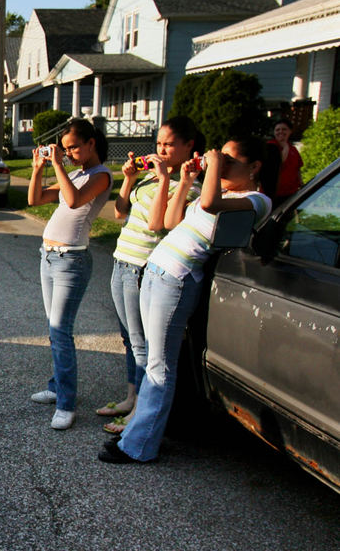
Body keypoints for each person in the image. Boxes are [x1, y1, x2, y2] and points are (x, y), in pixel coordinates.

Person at [99, 136, 276, 464]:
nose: (221, 166)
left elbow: (210, 205)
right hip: (156, 272)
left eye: (229, 162)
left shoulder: (256, 199)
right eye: (220, 160)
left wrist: (212, 167)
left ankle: (139, 446)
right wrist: (188, 179)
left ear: (254, 167)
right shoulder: (216, 191)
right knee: (154, 359)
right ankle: (140, 433)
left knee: (160, 365)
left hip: (177, 281)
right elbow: (168, 222)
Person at [99, 117, 204, 434]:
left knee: (142, 343)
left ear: (189, 146)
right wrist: (129, 180)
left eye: (169, 144)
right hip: (122, 260)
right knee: (129, 340)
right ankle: (131, 397)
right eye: (159, 143)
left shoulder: (188, 185)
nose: (161, 149)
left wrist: (164, 179)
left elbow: (159, 224)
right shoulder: (150, 178)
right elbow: (120, 213)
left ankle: (140, 414)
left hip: (143, 266)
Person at [27, 119, 113, 430]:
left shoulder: (101, 175)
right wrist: (38, 168)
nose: (69, 153)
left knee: (61, 331)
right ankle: (56, 385)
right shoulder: (75, 173)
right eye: (65, 149)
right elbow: (35, 200)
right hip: (48, 257)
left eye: (74, 147)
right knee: (54, 330)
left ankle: (66, 403)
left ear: (92, 143)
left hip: (71, 261)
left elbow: (75, 200)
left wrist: (59, 165)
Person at [268, 118, 303, 201]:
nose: (281, 132)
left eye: (284, 129)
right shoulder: (270, 146)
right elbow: (278, 163)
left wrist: (301, 184)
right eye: (277, 130)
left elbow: (297, 169)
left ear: (290, 131)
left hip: (291, 193)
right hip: (274, 194)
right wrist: (285, 147)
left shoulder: (293, 149)